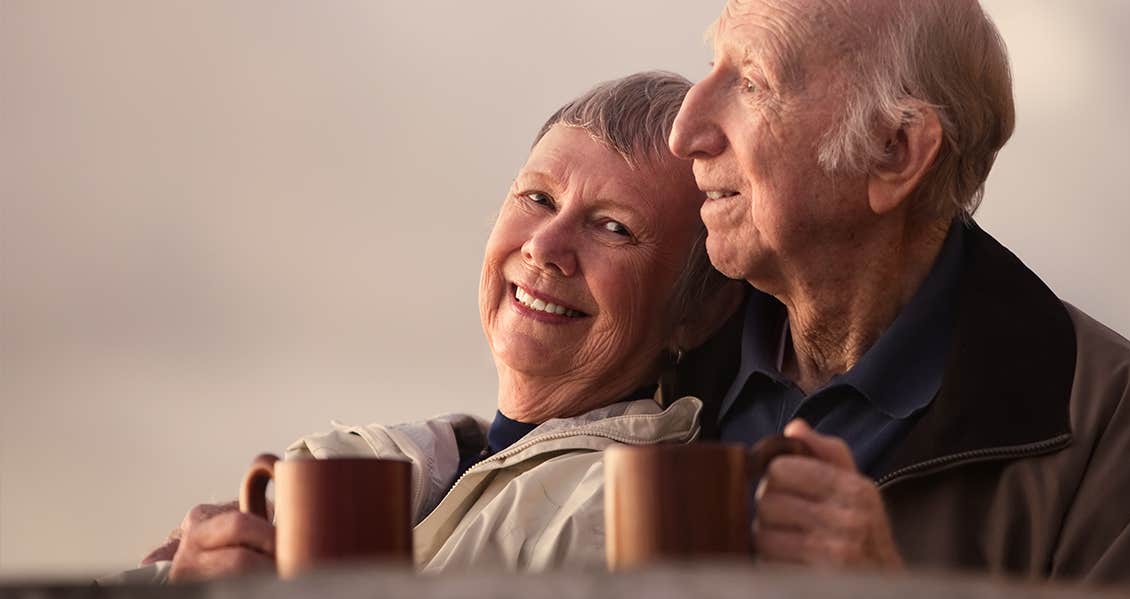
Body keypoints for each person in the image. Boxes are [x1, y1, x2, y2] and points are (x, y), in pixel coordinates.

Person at [112, 71, 740, 582]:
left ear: (699, 311)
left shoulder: (625, 514)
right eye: (539, 199)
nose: (546, 246)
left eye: (613, 227)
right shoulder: (387, 459)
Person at [665, 1, 1130, 597]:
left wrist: (888, 591)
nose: (683, 133)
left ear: (896, 151)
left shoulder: (1102, 412)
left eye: (750, 83)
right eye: (711, 66)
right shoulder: (660, 345)